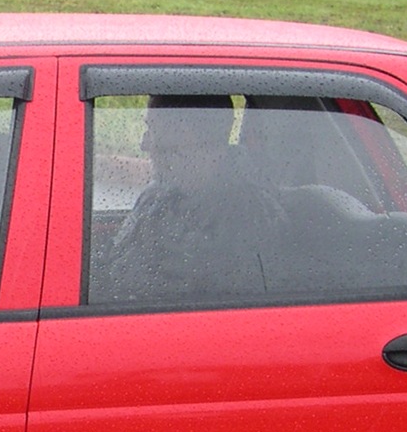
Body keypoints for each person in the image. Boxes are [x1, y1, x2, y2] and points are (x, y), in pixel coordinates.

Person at [93, 93, 289, 306]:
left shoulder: (248, 215)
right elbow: (116, 263)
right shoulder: (156, 194)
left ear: (184, 134)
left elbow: (221, 308)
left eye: (153, 129)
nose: (144, 144)